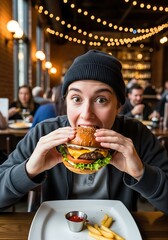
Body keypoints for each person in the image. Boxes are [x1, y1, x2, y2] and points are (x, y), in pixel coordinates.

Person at [0, 50, 168, 215]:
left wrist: (141, 173)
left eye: (101, 100)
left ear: (118, 105)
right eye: (76, 99)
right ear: (66, 102)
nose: (86, 114)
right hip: (56, 227)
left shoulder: (136, 134)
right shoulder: (44, 133)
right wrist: (28, 170)